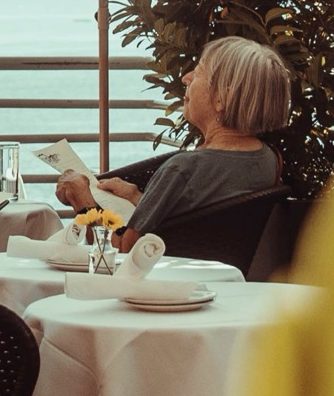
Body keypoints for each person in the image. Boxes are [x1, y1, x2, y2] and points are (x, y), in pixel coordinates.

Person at [55, 36, 292, 252]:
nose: (186, 78)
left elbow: (120, 251)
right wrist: (139, 197)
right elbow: (201, 221)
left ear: (221, 98)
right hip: (219, 281)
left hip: (162, 287)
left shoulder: (183, 169)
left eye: (198, 74)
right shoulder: (268, 159)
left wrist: (82, 198)